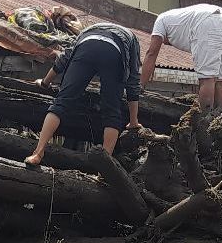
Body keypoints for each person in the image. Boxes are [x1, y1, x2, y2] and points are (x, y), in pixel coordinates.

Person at [25, 22, 142, 166]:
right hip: (114, 52)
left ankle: (37, 153)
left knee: (61, 103)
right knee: (112, 112)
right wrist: (133, 121)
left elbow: (64, 58)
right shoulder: (132, 38)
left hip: (86, 47)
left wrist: (45, 83)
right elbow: (133, 80)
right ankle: (103, 169)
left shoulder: (88, 30)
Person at [141, 4, 222, 111]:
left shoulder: (160, 21)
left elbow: (151, 53)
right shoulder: (178, 20)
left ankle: (204, 120)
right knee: (221, 80)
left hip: (209, 21)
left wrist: (140, 88)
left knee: (207, 78)